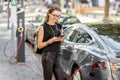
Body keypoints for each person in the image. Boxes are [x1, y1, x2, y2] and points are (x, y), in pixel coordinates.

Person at [37, 5, 64, 80]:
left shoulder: (60, 26)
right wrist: (50, 41)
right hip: (48, 56)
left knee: (60, 77)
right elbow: (39, 46)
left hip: (58, 54)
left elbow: (61, 43)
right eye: (54, 15)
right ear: (49, 14)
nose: (56, 17)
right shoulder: (42, 27)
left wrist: (61, 40)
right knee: (48, 78)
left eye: (58, 16)